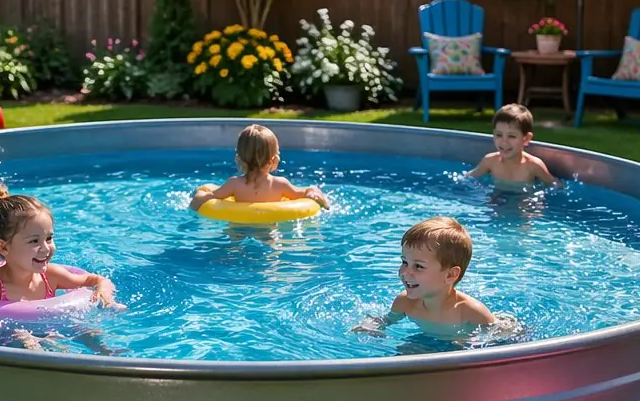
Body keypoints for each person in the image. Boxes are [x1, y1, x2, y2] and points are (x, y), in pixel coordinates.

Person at [0, 184, 120, 326]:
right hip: (10, 337)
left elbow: (97, 280)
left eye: (49, 238)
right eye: (34, 241)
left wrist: (103, 292)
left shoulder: (51, 276)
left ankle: (108, 356)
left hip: (52, 329)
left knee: (87, 330)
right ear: (3, 247)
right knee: (23, 338)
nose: (46, 248)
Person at [354, 217, 496, 336]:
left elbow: (499, 337)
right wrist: (370, 326)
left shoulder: (470, 312)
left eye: (419, 266)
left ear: (450, 275)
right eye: (404, 262)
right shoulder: (405, 302)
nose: (405, 272)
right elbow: (385, 320)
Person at [189, 123, 330, 211]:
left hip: (239, 224)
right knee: (271, 245)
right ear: (274, 160)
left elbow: (207, 198)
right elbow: (303, 193)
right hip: (269, 225)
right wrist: (313, 193)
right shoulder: (280, 184)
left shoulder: (234, 184)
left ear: (239, 159)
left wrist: (198, 194)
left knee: (234, 241)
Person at [467, 104, 558, 192]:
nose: (504, 141)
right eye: (499, 135)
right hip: (497, 199)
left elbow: (555, 185)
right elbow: (467, 178)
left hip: (524, 201)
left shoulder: (533, 166)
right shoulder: (490, 161)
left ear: (526, 139)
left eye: (511, 136)